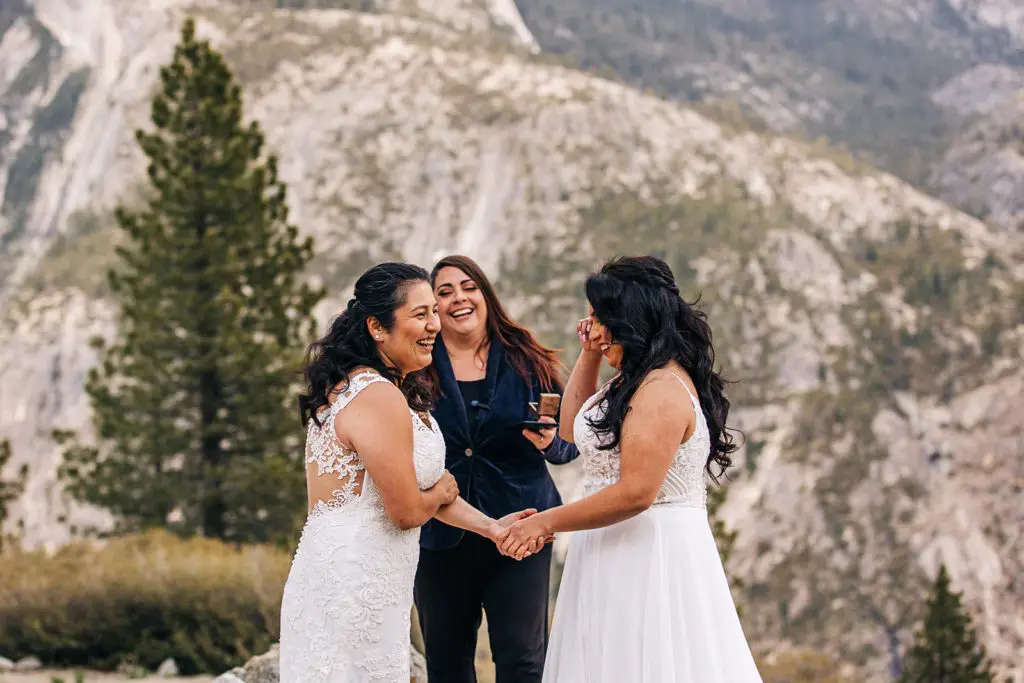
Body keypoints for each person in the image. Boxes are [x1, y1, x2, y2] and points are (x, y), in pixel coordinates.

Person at [499, 256, 764, 683]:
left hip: (648, 555)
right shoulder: (633, 379)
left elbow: (636, 492)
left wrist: (544, 522)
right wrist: (589, 354)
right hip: (611, 546)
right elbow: (569, 429)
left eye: (602, 319)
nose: (595, 330)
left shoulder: (660, 389)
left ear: (633, 318)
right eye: (591, 319)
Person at [279, 263, 537, 683]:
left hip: (365, 574)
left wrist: (492, 528)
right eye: (420, 314)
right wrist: (440, 493)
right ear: (377, 328)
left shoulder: (378, 387)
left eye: (434, 311)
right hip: (355, 582)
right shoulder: (377, 395)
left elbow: (419, 492)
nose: (435, 324)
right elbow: (408, 510)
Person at [414, 255, 579, 683]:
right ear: (433, 309)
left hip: (522, 531)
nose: (458, 298)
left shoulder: (529, 361)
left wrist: (552, 442)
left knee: (523, 660)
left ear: (485, 295)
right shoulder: (417, 368)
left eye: (468, 287)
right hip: (441, 533)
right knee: (446, 663)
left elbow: (571, 444)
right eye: (444, 292)